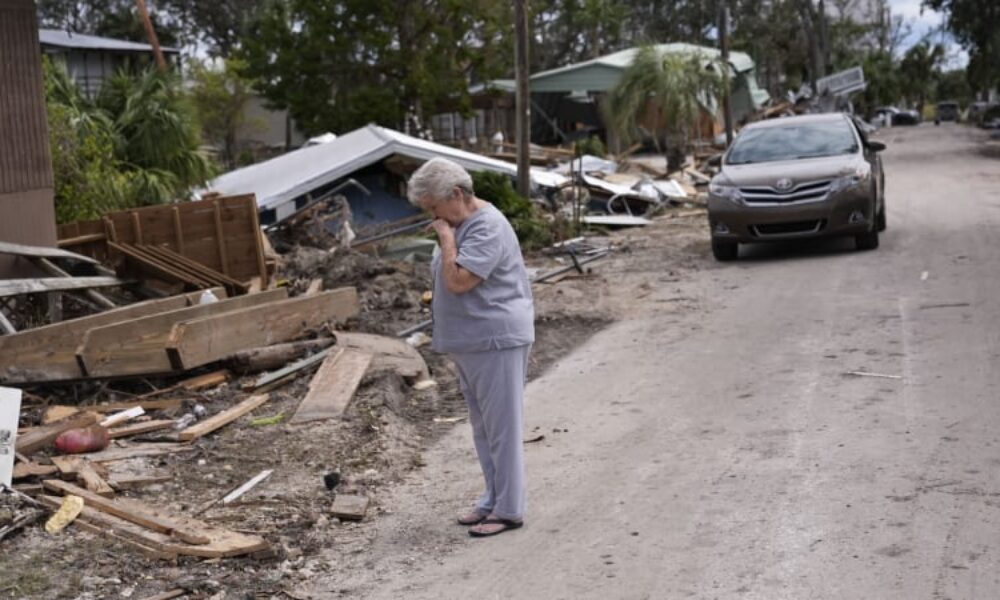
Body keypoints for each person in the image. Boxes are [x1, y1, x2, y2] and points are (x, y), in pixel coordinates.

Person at [407, 157, 534, 537]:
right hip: (471, 341)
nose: (432, 216)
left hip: (495, 339)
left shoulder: (486, 226)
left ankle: (510, 508)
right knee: (484, 427)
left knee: (502, 427)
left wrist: (446, 239)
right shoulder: (461, 223)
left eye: (433, 207)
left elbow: (460, 280)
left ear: (457, 195)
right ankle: (493, 497)